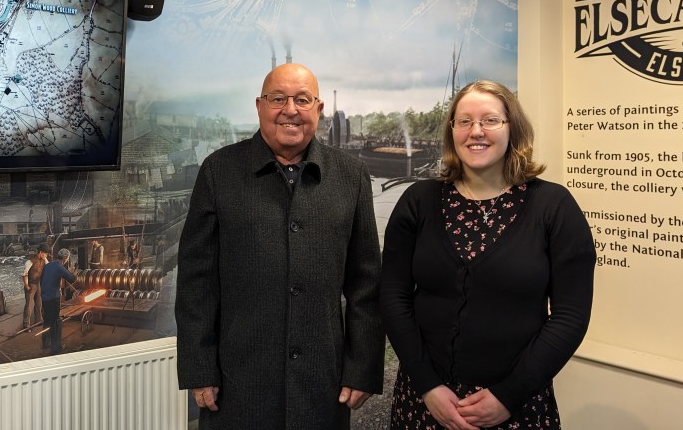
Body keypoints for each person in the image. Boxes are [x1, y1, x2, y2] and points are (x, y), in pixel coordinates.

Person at [175, 63, 385, 429]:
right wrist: (199, 367)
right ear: (259, 106)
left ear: (318, 110)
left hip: (324, 382)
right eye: (278, 98)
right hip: (237, 382)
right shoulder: (218, 171)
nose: (290, 109)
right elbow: (197, 281)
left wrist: (363, 367)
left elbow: (366, 283)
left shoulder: (351, 176)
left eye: (302, 99)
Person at [380, 80, 596, 430]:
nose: (475, 131)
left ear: (513, 128)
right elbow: (393, 295)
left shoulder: (554, 207)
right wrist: (427, 385)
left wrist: (509, 396)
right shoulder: (418, 201)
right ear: (452, 132)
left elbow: (570, 316)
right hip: (424, 402)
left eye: (490, 120)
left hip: (516, 407)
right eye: (463, 121)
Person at [40, 247, 77, 355]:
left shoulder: (48, 265)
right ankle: (56, 347)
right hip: (53, 298)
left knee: (47, 320)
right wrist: (75, 271)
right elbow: (72, 279)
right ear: (65, 258)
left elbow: (42, 280)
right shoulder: (60, 267)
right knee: (55, 322)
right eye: (68, 258)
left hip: (45, 297)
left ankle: (45, 343)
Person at [22, 244, 49, 330]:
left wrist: (45, 259)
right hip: (30, 284)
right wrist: (26, 285)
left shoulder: (43, 259)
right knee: (29, 305)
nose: (46, 255)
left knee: (39, 303)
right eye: (45, 253)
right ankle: (26, 324)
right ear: (40, 252)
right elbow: (24, 274)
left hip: (38, 284)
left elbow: (48, 267)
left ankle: (38, 320)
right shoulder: (30, 261)